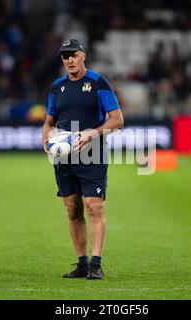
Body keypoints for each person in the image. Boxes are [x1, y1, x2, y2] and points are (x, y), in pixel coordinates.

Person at [42, 39, 124, 280]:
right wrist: (45, 139)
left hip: (93, 153)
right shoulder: (57, 87)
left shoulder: (98, 82)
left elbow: (118, 120)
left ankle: (96, 264)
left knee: (94, 206)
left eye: (73, 55)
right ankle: (82, 264)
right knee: (72, 209)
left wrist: (92, 133)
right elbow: (49, 122)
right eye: (65, 56)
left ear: (83, 56)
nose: (69, 60)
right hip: (64, 156)